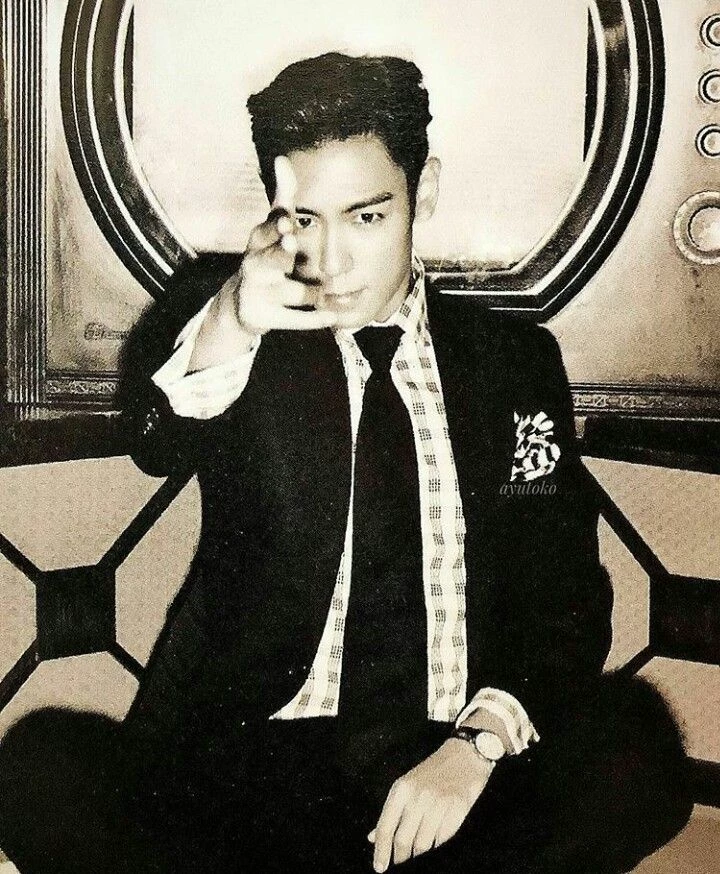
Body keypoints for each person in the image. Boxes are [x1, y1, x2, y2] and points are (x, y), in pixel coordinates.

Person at [0, 52, 691, 874]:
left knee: (636, 744)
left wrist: (477, 745)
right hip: (255, 764)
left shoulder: (511, 364)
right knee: (37, 766)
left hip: (450, 763)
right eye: (304, 218)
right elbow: (156, 438)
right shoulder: (239, 331)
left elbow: (565, 594)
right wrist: (232, 321)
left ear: (422, 194)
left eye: (366, 217)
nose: (330, 261)